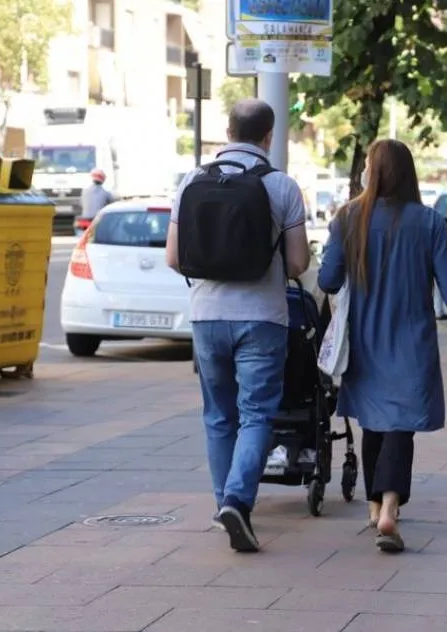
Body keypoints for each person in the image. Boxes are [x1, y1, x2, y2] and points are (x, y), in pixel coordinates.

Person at [318, 139, 447, 553]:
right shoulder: (427, 221)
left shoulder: (348, 216)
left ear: (373, 171)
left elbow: (327, 280)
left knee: (374, 420)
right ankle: (389, 504)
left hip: (365, 338)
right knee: (400, 424)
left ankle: (374, 507)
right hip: (411, 341)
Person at [166, 99, 310, 552]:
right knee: (257, 414)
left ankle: (222, 504)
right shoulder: (282, 187)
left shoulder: (192, 181)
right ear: (268, 136)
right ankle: (237, 501)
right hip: (262, 318)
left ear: (227, 131)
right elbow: (298, 263)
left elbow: (173, 257)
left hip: (207, 316)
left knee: (218, 416)